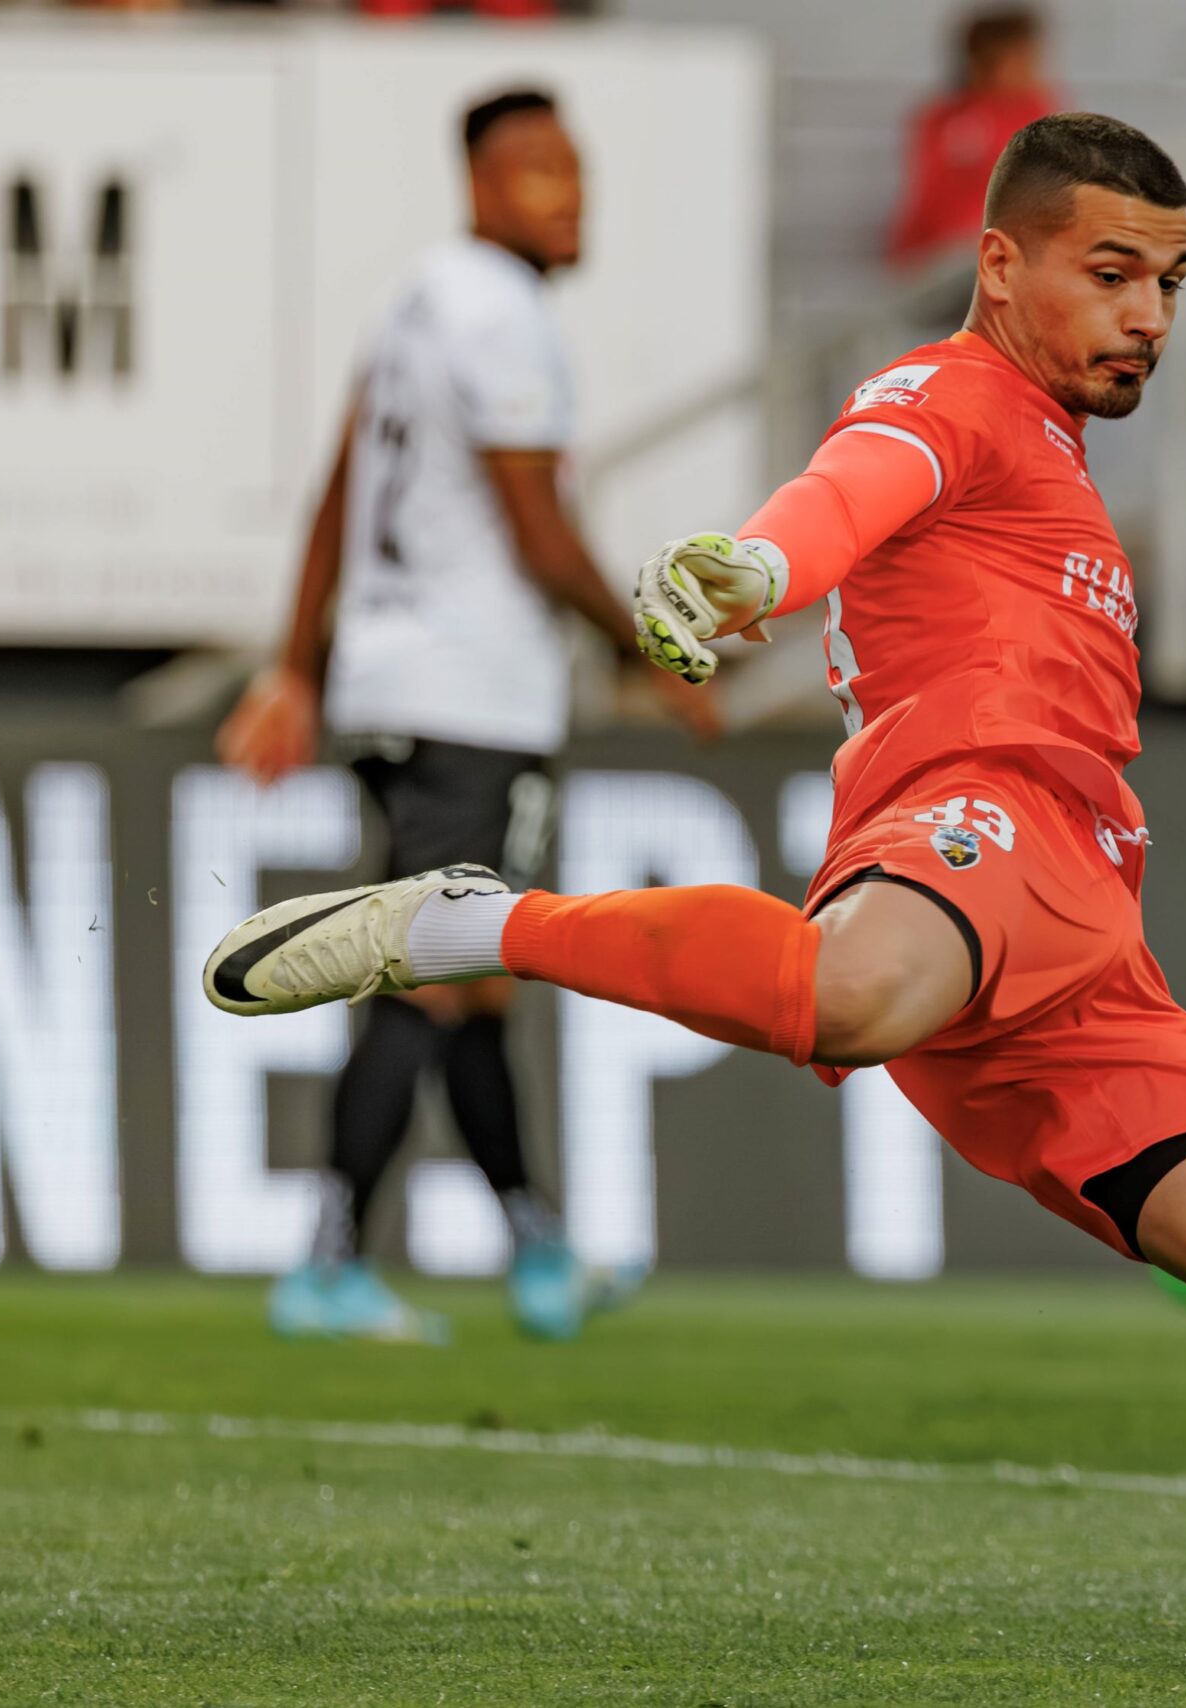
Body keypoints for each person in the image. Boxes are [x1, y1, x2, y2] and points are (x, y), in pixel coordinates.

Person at [203, 111, 1186, 1687]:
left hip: (1088, 955)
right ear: (1000, 263)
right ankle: (475, 922)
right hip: (969, 829)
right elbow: (853, 483)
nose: (1148, 318)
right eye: (1111, 275)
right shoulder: (947, 394)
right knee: (852, 992)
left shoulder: (1060, 465)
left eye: (1167, 282)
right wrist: (758, 568)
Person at [214, 88, 717, 1345]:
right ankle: (328, 1261)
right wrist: (649, 640)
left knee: (480, 977)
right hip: (471, 694)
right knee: (432, 973)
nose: (570, 196)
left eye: (578, 171)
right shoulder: (504, 314)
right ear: (482, 183)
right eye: (541, 172)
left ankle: (540, 1253)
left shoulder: (414, 298)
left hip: (390, 683)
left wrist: (297, 664)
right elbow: (536, 529)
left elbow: (342, 485)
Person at [884, 7, 1060, 269]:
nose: (1032, 69)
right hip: (945, 259)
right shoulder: (944, 118)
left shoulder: (1041, 114)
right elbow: (928, 201)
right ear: (986, 60)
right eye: (1021, 58)